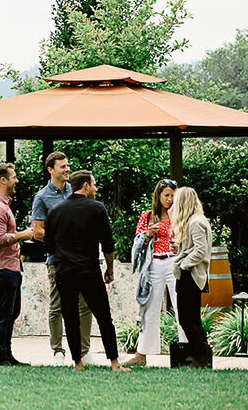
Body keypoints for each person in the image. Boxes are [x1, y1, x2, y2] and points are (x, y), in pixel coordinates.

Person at [45, 170, 128, 372]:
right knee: (103, 317)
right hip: (89, 270)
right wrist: (110, 268)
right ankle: (115, 363)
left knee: (70, 316)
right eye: (94, 184)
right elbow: (107, 243)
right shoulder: (97, 208)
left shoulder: (56, 210)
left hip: (64, 272)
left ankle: (77, 363)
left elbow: (48, 245)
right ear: (85, 186)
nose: (96, 188)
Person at [31, 151, 92, 366]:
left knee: (85, 305)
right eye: (62, 166)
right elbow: (38, 231)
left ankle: (84, 351)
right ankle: (58, 351)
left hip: (82, 260)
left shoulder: (76, 192)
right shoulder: (41, 197)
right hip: (57, 260)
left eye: (68, 166)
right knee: (58, 306)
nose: (67, 169)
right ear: (50, 170)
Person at [122, 178, 186, 367]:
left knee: (181, 306)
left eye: (173, 196)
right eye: (166, 195)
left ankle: (187, 349)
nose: (170, 200)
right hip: (155, 262)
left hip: (174, 261)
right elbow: (137, 246)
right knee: (150, 308)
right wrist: (148, 234)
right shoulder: (148, 216)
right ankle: (142, 353)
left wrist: (179, 244)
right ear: (158, 197)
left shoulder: (180, 215)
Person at [0, 163, 34, 366]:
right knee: (3, 314)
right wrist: (24, 234)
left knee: (12, 312)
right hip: (1, 268)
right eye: (13, 177)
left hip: (9, 266)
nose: (16, 180)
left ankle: (7, 355)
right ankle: (0, 357)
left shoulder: (2, 205)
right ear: (3, 180)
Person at [172, 186, 213, 367]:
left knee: (186, 318)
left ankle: (200, 357)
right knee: (193, 318)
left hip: (191, 274)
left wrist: (183, 264)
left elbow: (200, 250)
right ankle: (202, 356)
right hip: (192, 274)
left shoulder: (195, 222)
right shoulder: (197, 220)